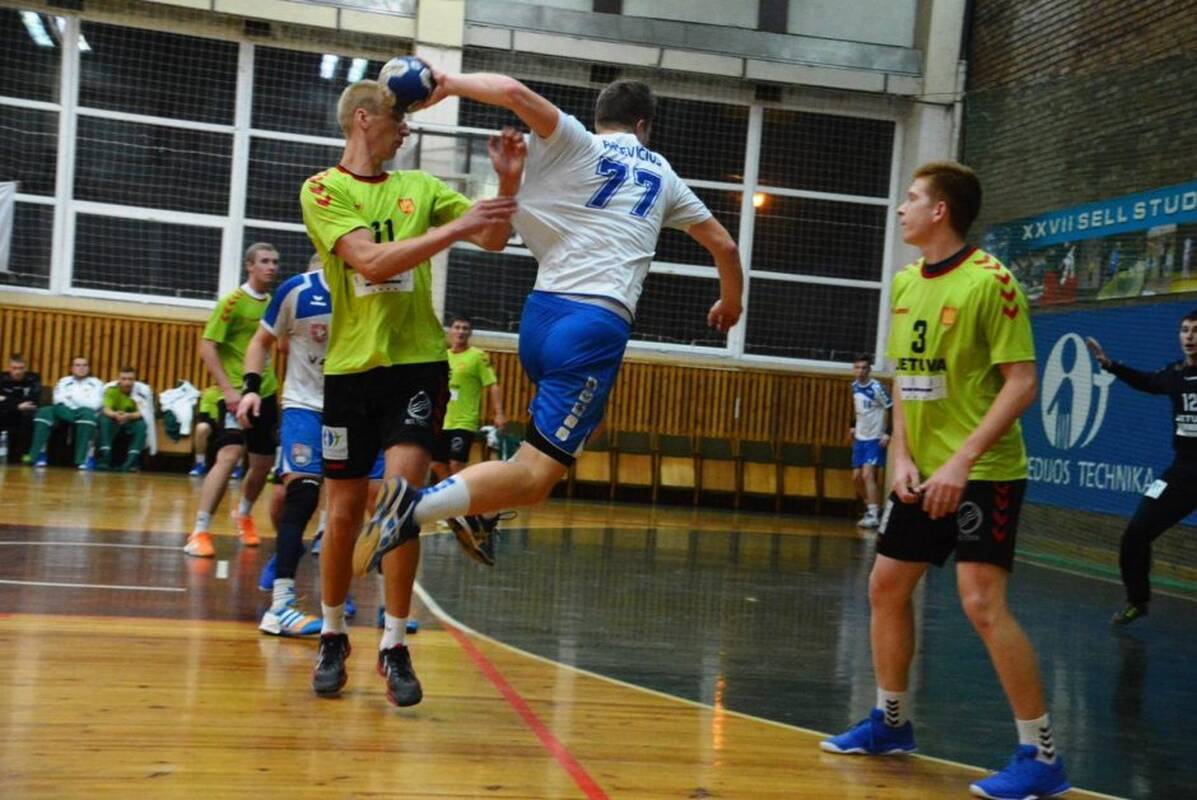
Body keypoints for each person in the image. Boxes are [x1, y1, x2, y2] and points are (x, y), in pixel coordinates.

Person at [352, 77, 743, 582]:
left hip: (540, 317)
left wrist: (447, 84)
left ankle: (478, 506)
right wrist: (730, 302)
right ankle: (414, 507)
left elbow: (513, 93)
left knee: (581, 430)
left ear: (601, 116)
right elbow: (724, 247)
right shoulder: (662, 174)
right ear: (643, 125)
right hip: (594, 326)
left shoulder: (578, 142)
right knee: (536, 478)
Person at [818, 161, 1069, 800]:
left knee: (981, 602)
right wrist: (901, 455)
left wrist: (961, 462)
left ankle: (1040, 755)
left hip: (985, 472)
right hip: (920, 472)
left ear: (940, 211)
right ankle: (890, 723)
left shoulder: (993, 283)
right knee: (885, 586)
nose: (900, 208)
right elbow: (906, 379)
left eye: (912, 198)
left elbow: (1022, 383)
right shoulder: (906, 283)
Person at [297, 78, 519, 705]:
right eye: (399, 118)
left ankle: (394, 644)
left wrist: (506, 185)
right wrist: (454, 231)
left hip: (416, 366)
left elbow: (493, 238)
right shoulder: (323, 188)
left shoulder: (420, 187)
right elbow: (370, 261)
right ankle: (333, 634)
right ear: (364, 118)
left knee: (400, 504)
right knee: (343, 512)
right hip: (350, 369)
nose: (407, 129)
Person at [1086, 312, 1197, 625]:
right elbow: (1147, 381)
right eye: (1185, 330)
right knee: (1135, 535)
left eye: (1196, 331)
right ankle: (1137, 601)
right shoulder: (1174, 374)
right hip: (1183, 473)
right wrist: (1111, 365)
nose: (1189, 336)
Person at [184, 243, 279, 558]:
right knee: (229, 454)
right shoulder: (232, 303)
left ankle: (245, 514)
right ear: (249, 265)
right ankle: (200, 530)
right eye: (264, 261)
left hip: (265, 392)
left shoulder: (275, 304)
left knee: (262, 463)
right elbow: (207, 346)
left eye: (275, 262)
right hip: (236, 394)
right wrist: (228, 391)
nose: (271, 267)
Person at [431, 315, 508, 480]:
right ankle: (451, 494)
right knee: (436, 463)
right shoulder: (443, 356)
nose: (461, 331)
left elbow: (492, 384)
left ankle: (463, 493)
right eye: (457, 327)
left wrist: (499, 413)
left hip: (464, 421)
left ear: (470, 333)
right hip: (442, 420)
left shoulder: (477, 356)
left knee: (456, 463)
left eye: (465, 328)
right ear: (451, 331)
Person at [27, 356, 104, 469]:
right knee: (44, 412)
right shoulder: (64, 381)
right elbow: (58, 400)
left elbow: (95, 404)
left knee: (87, 416)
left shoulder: (96, 383)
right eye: (77, 365)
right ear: (71, 368)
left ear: (88, 368)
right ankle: (36, 456)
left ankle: (81, 460)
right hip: (63, 411)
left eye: (84, 365)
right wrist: (79, 402)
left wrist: (71, 397)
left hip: (85, 412)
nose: (81, 368)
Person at [850, 354, 892, 528]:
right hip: (860, 437)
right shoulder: (854, 386)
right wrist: (852, 425)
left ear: (869, 370)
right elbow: (856, 409)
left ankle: (873, 515)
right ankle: (872, 507)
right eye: (857, 367)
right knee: (856, 477)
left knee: (868, 474)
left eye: (864, 368)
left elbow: (892, 407)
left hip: (875, 437)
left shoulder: (877, 387)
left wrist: (888, 433)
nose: (860, 371)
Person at [96, 366, 148, 472]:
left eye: (130, 379)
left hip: (131, 421)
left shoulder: (140, 392)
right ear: (118, 379)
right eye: (124, 379)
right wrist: (115, 414)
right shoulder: (111, 390)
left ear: (134, 380)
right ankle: (105, 459)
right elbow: (106, 409)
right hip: (114, 420)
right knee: (104, 420)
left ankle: (131, 463)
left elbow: (142, 413)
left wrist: (128, 416)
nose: (127, 382)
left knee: (141, 425)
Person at [1, 353, 41, 464]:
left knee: (29, 416)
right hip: (5, 413)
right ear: (9, 368)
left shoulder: (34, 378)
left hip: (24, 414)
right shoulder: (2, 378)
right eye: (14, 368)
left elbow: (33, 400)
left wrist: (5, 399)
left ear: (25, 368)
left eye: (21, 368)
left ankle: (23, 457)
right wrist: (17, 406)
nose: (18, 371)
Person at [189, 385, 222, 477]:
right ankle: (200, 463)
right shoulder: (209, 393)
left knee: (239, 428)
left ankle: (238, 466)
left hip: (231, 425)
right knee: (201, 427)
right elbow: (204, 416)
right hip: (214, 424)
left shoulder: (237, 391)